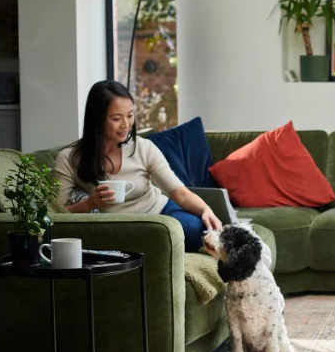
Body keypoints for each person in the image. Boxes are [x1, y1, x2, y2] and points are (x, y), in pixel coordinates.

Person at [53, 80, 221, 252]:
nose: (126, 125)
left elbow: (180, 193)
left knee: (195, 229)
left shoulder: (143, 148)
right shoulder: (69, 159)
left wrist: (205, 210)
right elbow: (55, 216)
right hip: (119, 228)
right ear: (96, 118)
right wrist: (88, 204)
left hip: (160, 214)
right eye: (116, 118)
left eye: (130, 115)